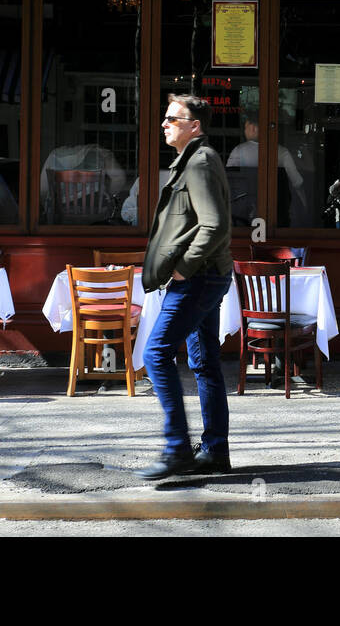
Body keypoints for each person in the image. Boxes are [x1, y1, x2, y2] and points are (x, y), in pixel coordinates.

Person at [136, 94, 235, 480]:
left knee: (156, 353)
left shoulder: (200, 161)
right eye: (166, 118)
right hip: (205, 276)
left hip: (199, 278)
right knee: (205, 364)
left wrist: (183, 269)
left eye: (173, 119)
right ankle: (214, 452)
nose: (165, 124)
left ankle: (177, 447)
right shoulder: (190, 161)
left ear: (195, 125)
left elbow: (215, 225)